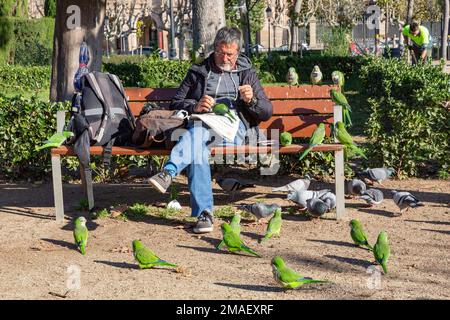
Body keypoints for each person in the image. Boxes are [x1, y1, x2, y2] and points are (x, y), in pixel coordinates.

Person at [148, 27, 273, 234]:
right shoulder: (199, 71)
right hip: (203, 125)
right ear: (214, 48)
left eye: (230, 54)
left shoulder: (246, 73)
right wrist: (195, 106)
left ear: (238, 52)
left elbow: (266, 112)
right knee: (199, 146)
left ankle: (170, 173)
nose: (225, 58)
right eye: (221, 52)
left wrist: (252, 101)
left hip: (234, 129)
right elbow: (176, 103)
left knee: (197, 135)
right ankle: (204, 216)